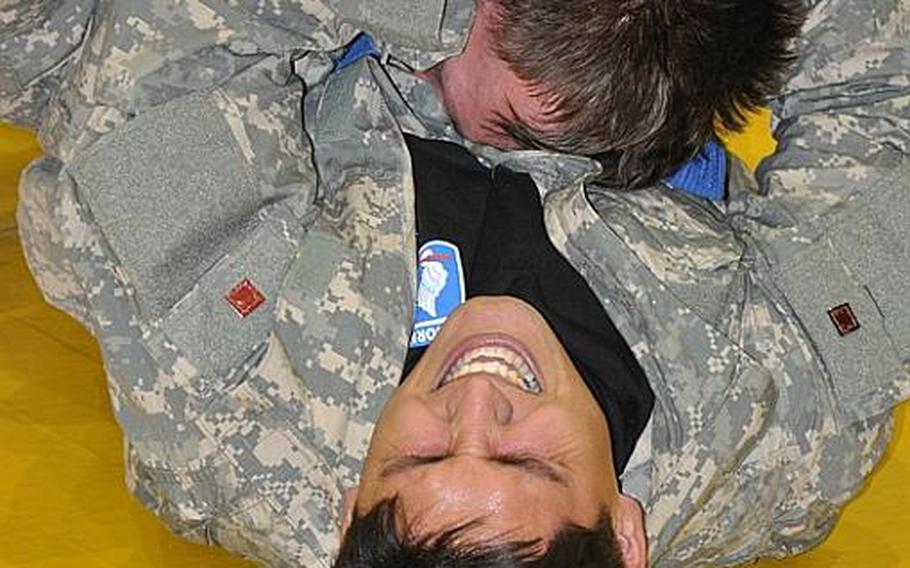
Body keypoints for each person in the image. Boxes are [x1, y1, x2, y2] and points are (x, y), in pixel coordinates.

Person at [1, 0, 907, 566]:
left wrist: (466, 20)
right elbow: (880, 108)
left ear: (345, 506)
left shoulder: (233, 393)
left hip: (296, 79)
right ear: (627, 537)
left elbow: (171, 42)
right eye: (528, 460)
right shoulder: (786, 417)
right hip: (649, 127)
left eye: (421, 455)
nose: (476, 400)